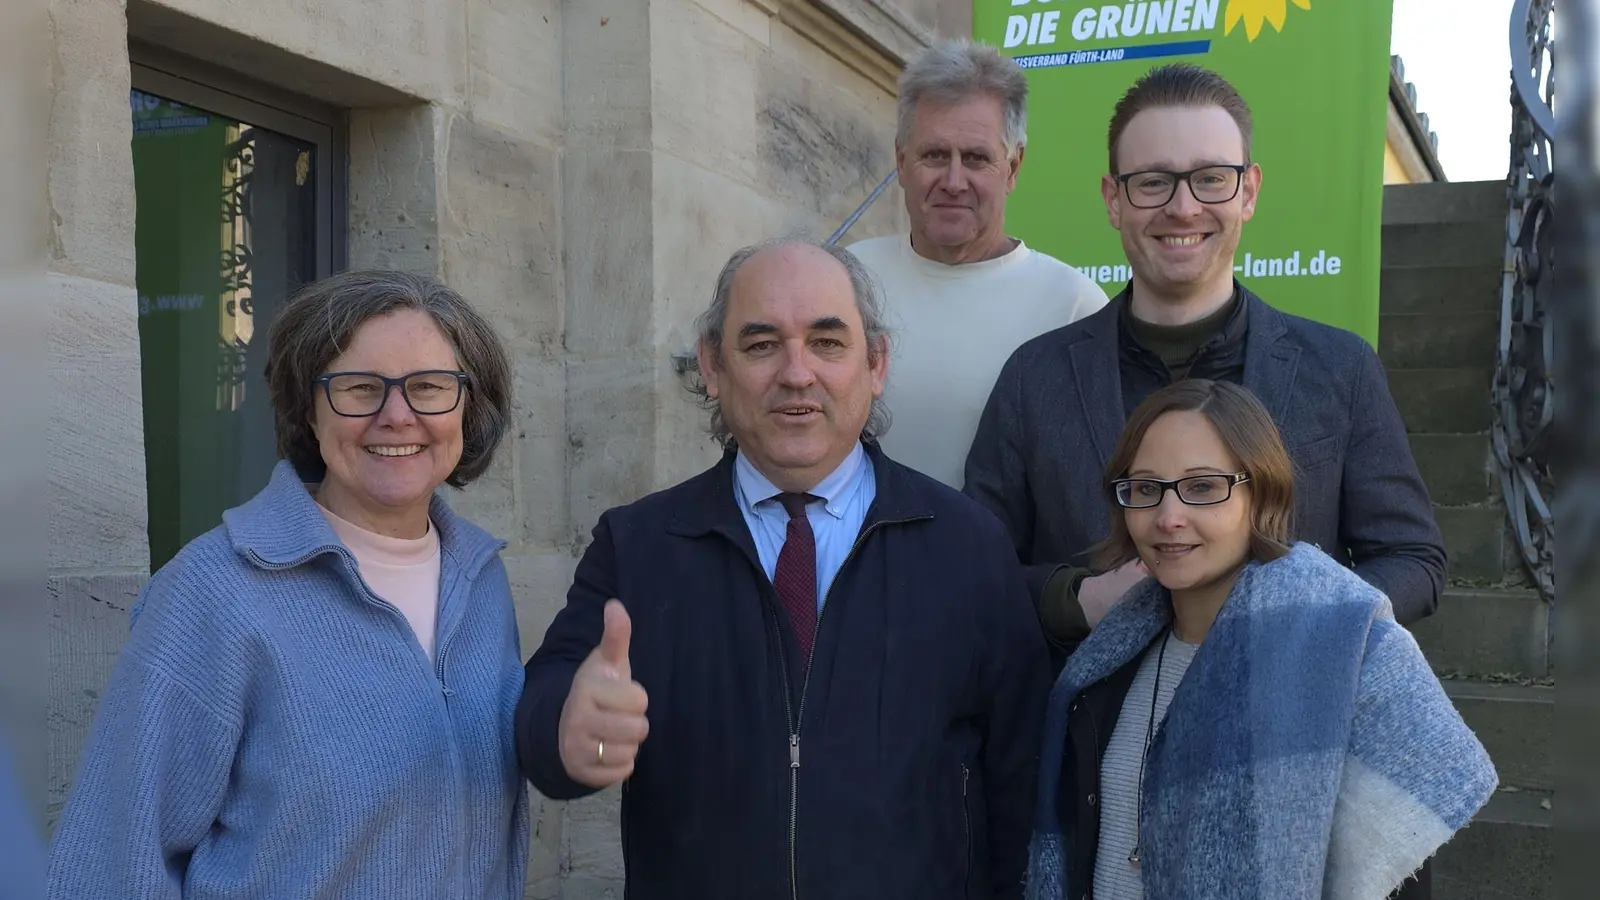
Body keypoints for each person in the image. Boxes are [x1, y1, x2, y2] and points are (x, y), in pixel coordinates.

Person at [516, 239, 1052, 899]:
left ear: (876, 363)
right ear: (712, 365)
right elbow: (549, 733)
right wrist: (581, 739)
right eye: (762, 344)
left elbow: (1024, 778)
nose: (797, 373)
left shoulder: (968, 547)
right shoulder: (640, 546)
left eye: (827, 343)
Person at [47, 271, 529, 899]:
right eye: (359, 388)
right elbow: (113, 863)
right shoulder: (214, 593)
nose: (397, 416)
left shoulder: (481, 579)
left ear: (470, 405)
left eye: (429, 387)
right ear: (309, 407)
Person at [964, 62, 1446, 656]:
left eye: (1211, 179)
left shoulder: (1341, 369)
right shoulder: (1032, 379)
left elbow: (1413, 561)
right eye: (1152, 182)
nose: (1183, 208)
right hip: (1085, 737)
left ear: (1248, 192)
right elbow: (972, 573)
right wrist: (1079, 599)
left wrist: (1302, 622)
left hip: (1281, 733)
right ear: (1114, 200)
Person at [1024, 379, 1495, 900]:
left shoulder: (1350, 647)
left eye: (1203, 487)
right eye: (1145, 488)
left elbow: (1393, 867)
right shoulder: (1109, 660)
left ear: (1262, 493)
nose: (1168, 517)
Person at [847, 38, 1106, 488]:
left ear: (1013, 167)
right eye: (934, 155)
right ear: (901, 160)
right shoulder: (847, 279)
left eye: (975, 158)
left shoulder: (1073, 306)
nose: (953, 181)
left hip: (1006, 559)